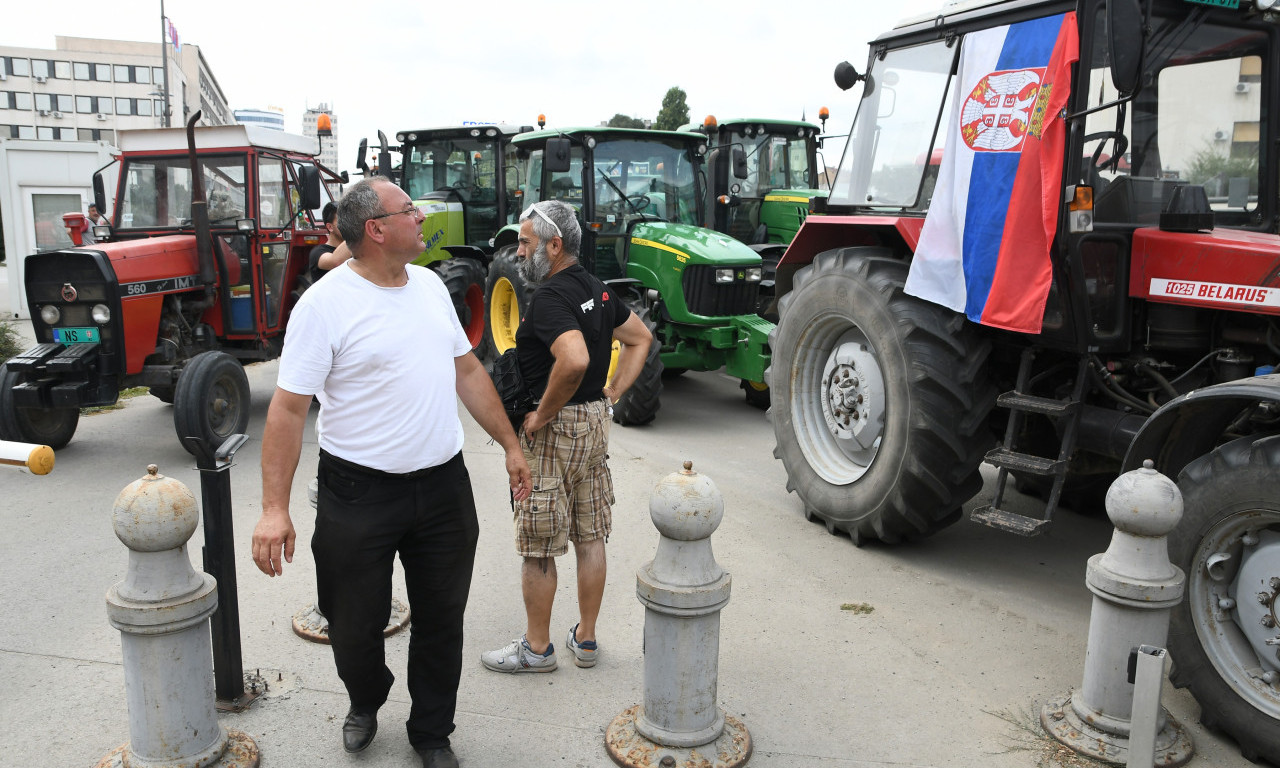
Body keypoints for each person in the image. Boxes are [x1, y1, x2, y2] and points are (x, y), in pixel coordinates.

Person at [251, 177, 531, 768]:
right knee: (352, 625)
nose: (422, 215)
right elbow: (287, 410)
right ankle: (366, 696)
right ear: (376, 230)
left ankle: (431, 732)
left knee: (441, 619)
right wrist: (274, 508)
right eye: (410, 209)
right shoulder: (324, 305)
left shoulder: (430, 286)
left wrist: (509, 443)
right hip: (357, 494)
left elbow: (469, 374)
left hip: (442, 489)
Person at [480, 200, 652, 674]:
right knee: (590, 533)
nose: (518, 252)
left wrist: (541, 415)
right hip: (595, 422)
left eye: (525, 243)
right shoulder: (598, 290)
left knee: (538, 542)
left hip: (555, 428)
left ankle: (537, 650)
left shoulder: (551, 298)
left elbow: (573, 359)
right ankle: (587, 639)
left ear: (554, 246)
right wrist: (611, 393)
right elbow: (640, 339)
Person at [306, 201, 343, 283]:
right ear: (330, 227)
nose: (348, 224)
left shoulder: (356, 250)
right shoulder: (318, 253)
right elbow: (335, 262)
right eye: (342, 221)